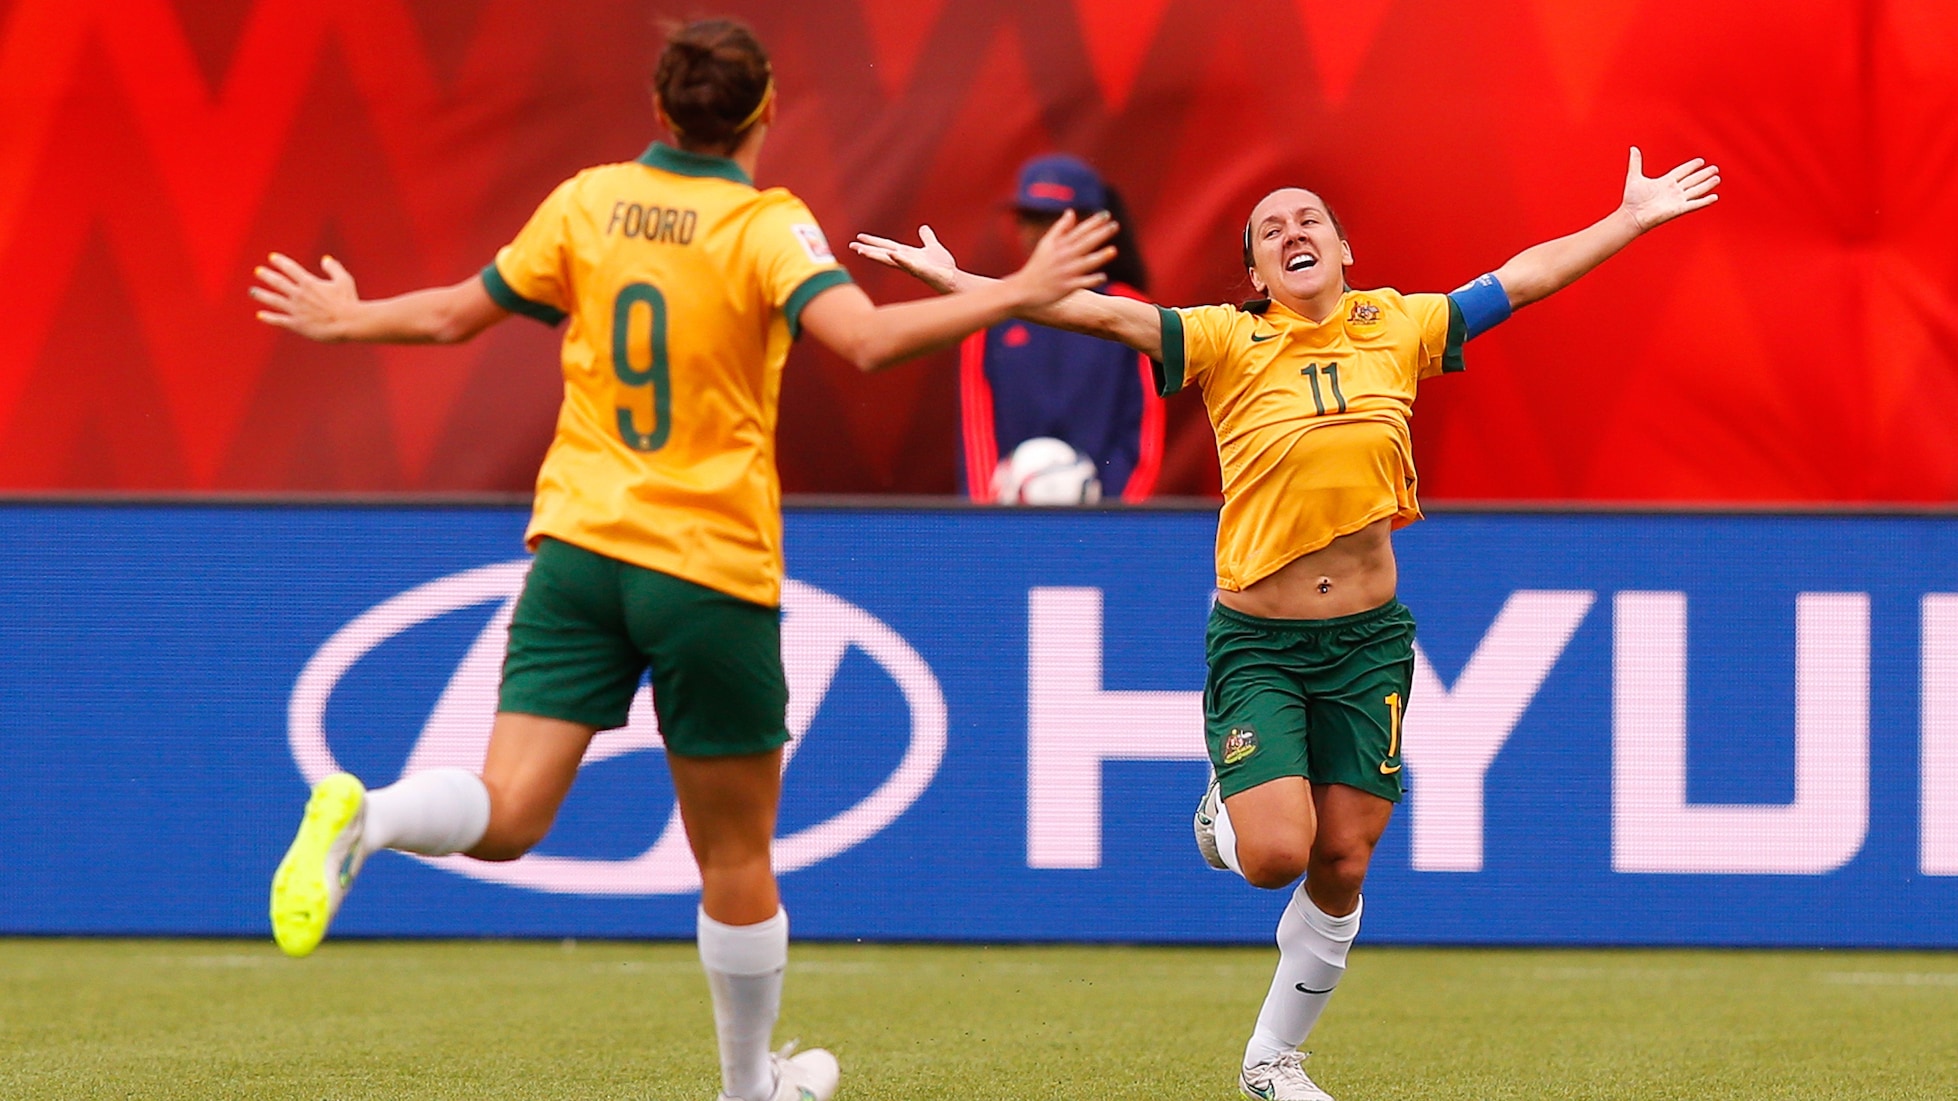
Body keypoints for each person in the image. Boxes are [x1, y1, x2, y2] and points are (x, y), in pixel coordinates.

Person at [248, 19, 1116, 1101]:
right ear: (761, 113)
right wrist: (1018, 291)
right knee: (737, 863)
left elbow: (452, 320)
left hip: (577, 549)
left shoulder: (586, 202)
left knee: (508, 812)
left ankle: (368, 816)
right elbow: (867, 341)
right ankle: (747, 1087)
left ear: (660, 113)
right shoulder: (765, 227)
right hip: (705, 564)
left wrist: (346, 318)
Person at [853, 147, 1720, 1100]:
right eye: (1271, 230)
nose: (1293, 233)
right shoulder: (1226, 339)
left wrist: (1630, 219)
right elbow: (1100, 313)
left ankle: (1272, 1062)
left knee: (1343, 858)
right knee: (1275, 857)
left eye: (1308, 220)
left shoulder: (1400, 323)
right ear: (1257, 273)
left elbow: (1526, 277)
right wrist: (970, 286)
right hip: (1261, 641)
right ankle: (1225, 808)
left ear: (1345, 248)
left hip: (1370, 641)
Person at [959, 154, 1164, 502]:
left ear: (1094, 224)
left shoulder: (1134, 311)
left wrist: (1115, 519)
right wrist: (989, 521)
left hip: (1104, 528)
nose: (1040, 234)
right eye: (1030, 218)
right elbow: (976, 434)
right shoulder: (988, 309)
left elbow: (1142, 433)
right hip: (1009, 524)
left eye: (1055, 219)